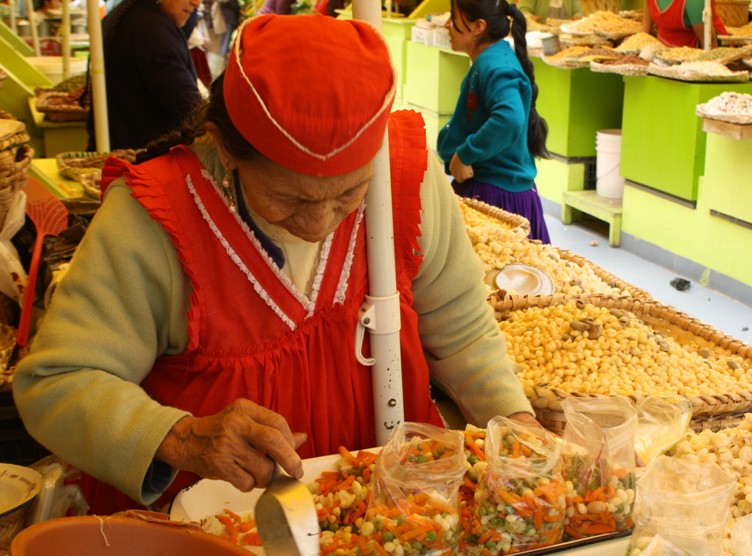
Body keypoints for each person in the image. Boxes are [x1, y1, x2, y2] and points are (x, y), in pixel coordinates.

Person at [14, 14, 543, 516]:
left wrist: (518, 426)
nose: (320, 224)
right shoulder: (153, 217)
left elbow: (463, 331)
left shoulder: (407, 174)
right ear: (225, 148)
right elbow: (58, 381)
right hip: (208, 529)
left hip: (392, 517)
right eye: (290, 200)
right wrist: (180, 436)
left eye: (349, 195)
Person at [437, 0, 552, 243]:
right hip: (495, 188)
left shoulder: (495, 64)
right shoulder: (491, 59)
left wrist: (465, 154)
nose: (448, 25)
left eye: (454, 18)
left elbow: (509, 119)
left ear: (478, 26)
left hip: (497, 196)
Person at [86, 0, 203, 151]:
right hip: (138, 159)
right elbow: (188, 106)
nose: (196, 3)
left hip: (121, 151)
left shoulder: (132, 14)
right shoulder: (152, 29)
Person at [642, 0, 728, 48]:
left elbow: (710, 42)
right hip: (664, 53)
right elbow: (643, 36)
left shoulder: (694, 2)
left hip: (697, 55)